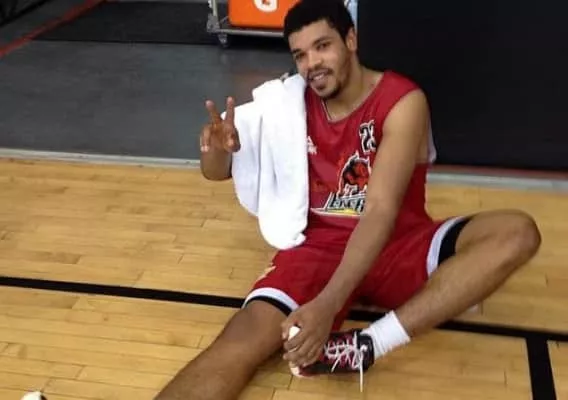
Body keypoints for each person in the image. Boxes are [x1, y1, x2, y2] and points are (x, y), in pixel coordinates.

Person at [155, 0, 541, 398]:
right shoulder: (287, 105)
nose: (312, 64)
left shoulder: (401, 100)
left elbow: (379, 211)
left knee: (516, 232)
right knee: (238, 342)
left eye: (323, 46)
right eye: (300, 55)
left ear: (351, 40)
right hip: (317, 247)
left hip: (396, 243)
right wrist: (217, 149)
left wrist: (327, 305)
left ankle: (368, 344)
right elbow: (216, 172)